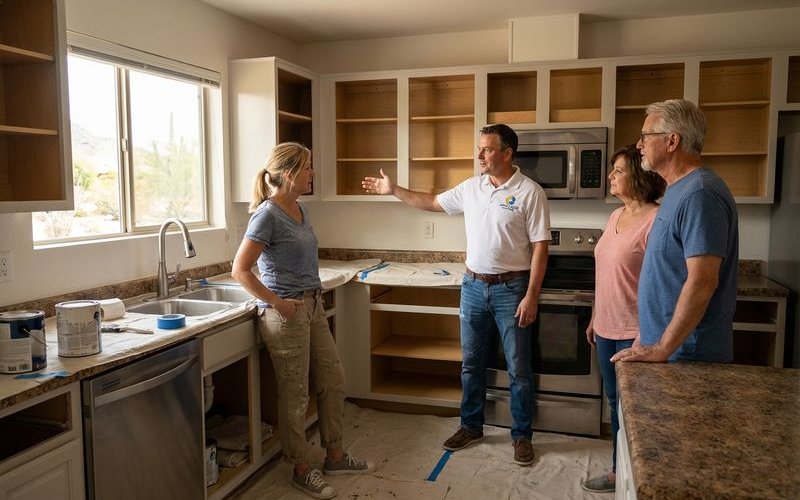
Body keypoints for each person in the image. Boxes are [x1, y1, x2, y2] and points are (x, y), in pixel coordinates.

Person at [362, 124, 551, 466]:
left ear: (507, 154)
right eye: (479, 148)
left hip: (513, 289)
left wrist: (532, 296)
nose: (479, 155)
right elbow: (432, 202)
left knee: (519, 368)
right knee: (471, 365)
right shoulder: (471, 188)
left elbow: (540, 247)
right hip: (473, 287)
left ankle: (521, 435)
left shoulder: (530, 192)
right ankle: (471, 426)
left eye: (487, 149)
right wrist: (394, 190)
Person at [232, 142, 374, 500]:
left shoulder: (300, 209)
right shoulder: (266, 215)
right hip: (287, 314)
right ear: (291, 173)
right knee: (294, 395)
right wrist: (277, 302)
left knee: (333, 380)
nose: (313, 174)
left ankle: (335, 456)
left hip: (312, 306)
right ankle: (300, 468)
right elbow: (240, 270)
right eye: (309, 168)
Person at [611, 99, 739, 365]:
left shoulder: (700, 193)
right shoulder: (678, 189)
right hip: (668, 350)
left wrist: (661, 348)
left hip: (687, 355)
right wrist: (646, 336)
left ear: (672, 141)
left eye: (645, 136)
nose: (639, 145)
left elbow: (703, 281)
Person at [580, 145, 666, 494]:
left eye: (618, 170)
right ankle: (620, 474)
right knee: (615, 403)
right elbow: (606, 273)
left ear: (640, 176)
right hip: (605, 327)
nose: (611, 176)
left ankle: (645, 480)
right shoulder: (615, 216)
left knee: (638, 411)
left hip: (636, 333)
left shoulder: (656, 219)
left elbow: (660, 283)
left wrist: (648, 335)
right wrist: (594, 316)